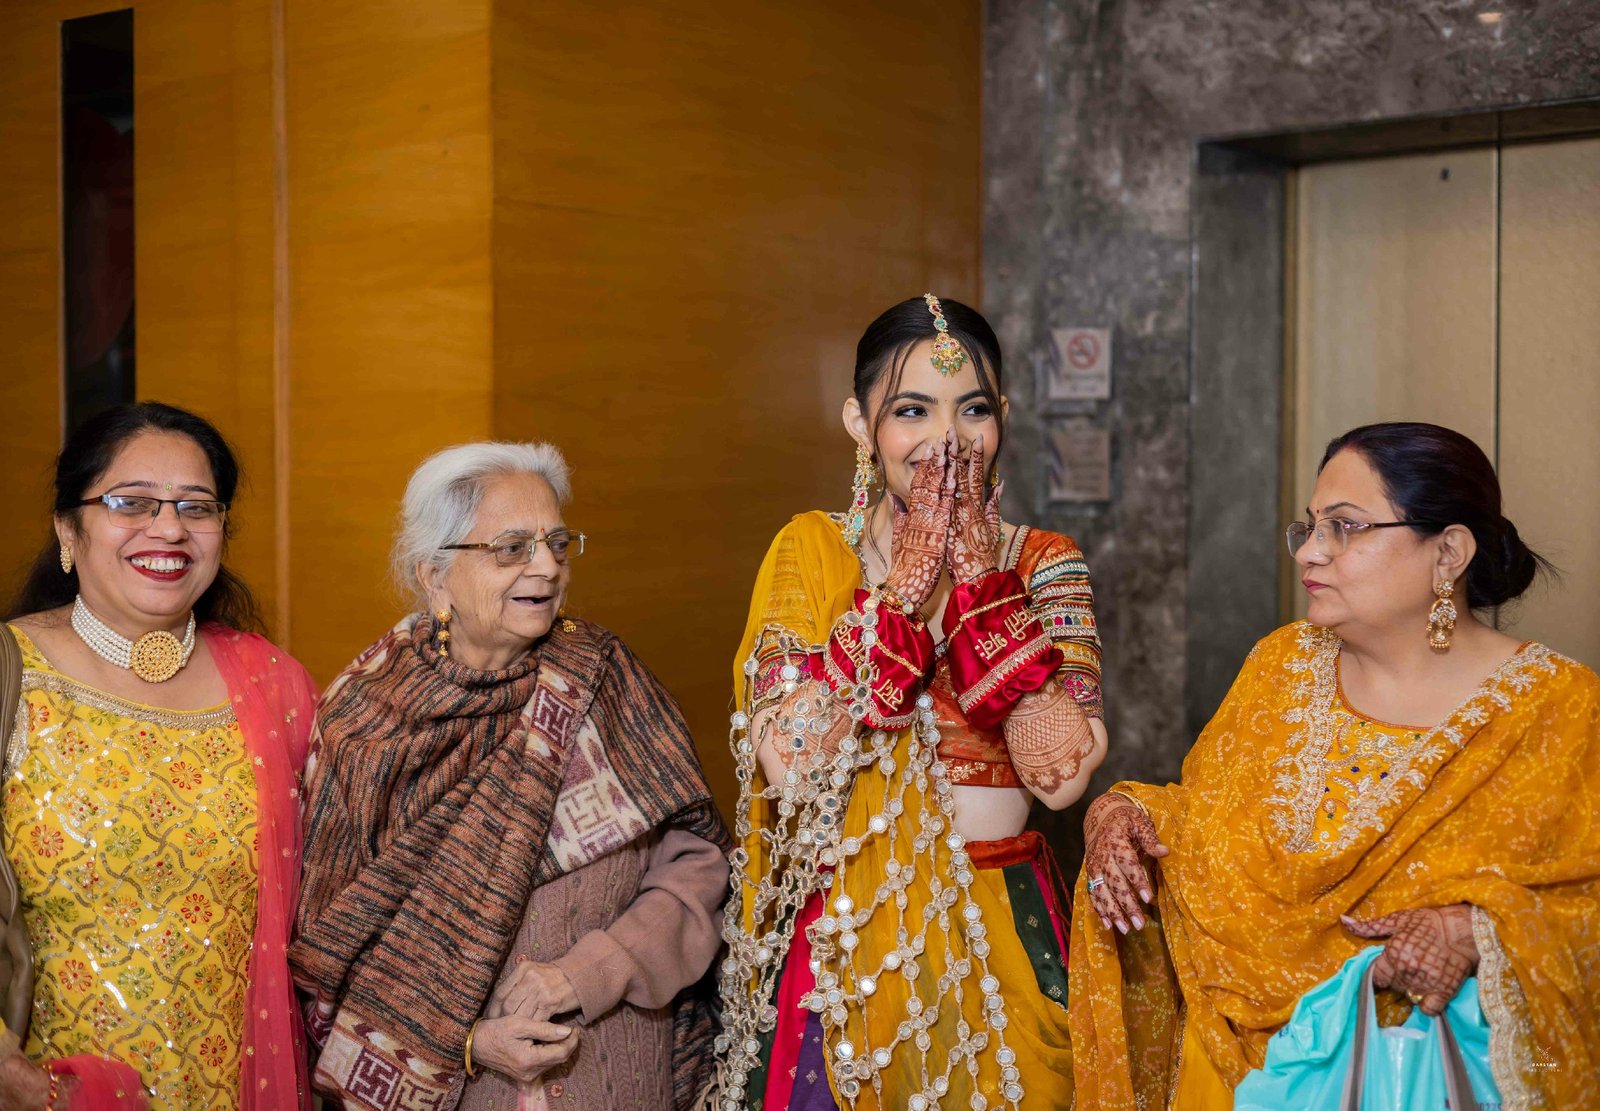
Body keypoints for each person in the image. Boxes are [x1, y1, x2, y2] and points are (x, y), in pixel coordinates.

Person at [1072, 421, 1600, 1109]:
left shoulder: (1555, 709)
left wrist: (1475, 932)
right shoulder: (1283, 665)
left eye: (1345, 527)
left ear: (1449, 552)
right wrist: (1122, 814)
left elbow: (1582, 903)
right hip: (1225, 1068)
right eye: (1311, 526)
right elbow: (1210, 829)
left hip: (1406, 1072)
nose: (1310, 552)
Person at [707, 295, 1107, 1110]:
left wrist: (985, 593)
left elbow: (1063, 778)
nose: (947, 440)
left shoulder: (1045, 563)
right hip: (849, 944)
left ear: (1004, 417)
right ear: (860, 423)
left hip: (1001, 932)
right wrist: (896, 602)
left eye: (974, 410)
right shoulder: (810, 551)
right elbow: (791, 768)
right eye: (912, 410)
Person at [290, 441, 731, 1111]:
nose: (548, 567)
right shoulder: (365, 723)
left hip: (619, 1074)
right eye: (513, 548)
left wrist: (592, 972)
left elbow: (698, 867)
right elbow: (333, 953)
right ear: (436, 575)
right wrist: (466, 1042)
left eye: (557, 543)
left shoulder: (606, 678)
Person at [0, 402, 316, 1110]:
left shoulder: (276, 689)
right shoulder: (10, 676)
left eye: (196, 507)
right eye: (131, 502)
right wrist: (19, 1084)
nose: (169, 528)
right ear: (68, 530)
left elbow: (341, 904)